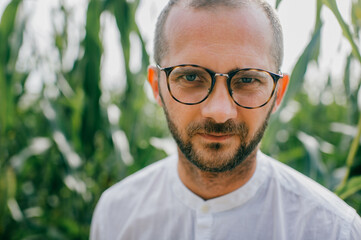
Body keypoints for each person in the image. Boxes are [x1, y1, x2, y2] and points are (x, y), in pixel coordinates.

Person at [90, 0, 361, 239]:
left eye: (247, 80)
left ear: (278, 94)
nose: (219, 111)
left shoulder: (333, 230)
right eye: (191, 77)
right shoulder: (116, 214)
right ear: (156, 86)